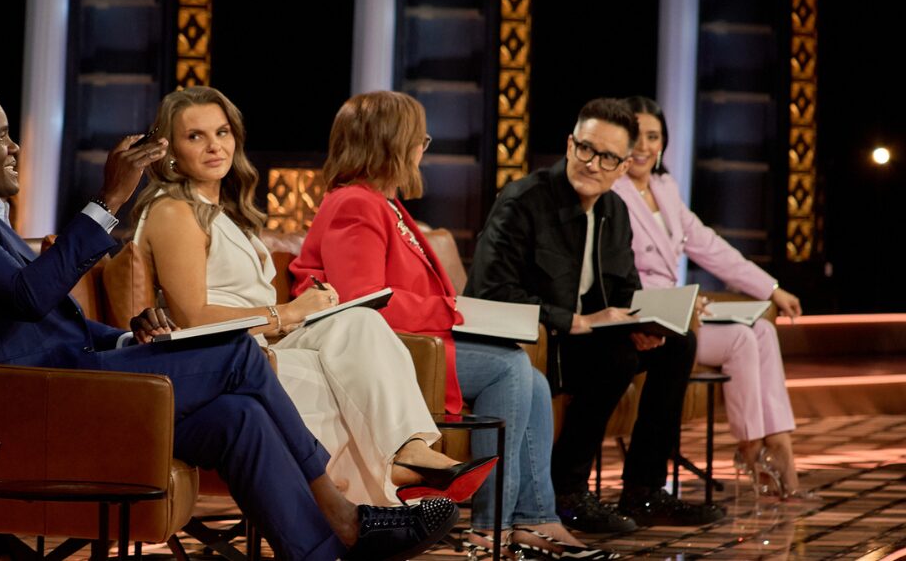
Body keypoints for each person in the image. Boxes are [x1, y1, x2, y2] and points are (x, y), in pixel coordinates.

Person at [0, 87, 459, 561]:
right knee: (237, 354)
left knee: (237, 416)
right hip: (44, 406)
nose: (15, 146)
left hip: (67, 383)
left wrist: (124, 336)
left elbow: (40, 313)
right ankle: (342, 514)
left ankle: (320, 552)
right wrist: (109, 199)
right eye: (1, 136)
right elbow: (29, 297)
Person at [131, 86, 495, 508]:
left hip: (261, 345)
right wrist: (286, 312)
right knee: (332, 381)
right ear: (170, 149)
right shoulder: (173, 210)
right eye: (195, 136)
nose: (215, 146)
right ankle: (384, 502)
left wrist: (306, 312)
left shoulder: (219, 210)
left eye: (223, 132)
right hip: (223, 361)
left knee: (359, 321)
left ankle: (408, 451)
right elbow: (193, 316)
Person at [291, 90, 617, 561]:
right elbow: (363, 302)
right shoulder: (354, 204)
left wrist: (457, 311)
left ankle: (534, 519)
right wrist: (453, 312)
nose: (424, 147)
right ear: (391, 143)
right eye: (418, 138)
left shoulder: (385, 204)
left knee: (536, 380)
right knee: (509, 366)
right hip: (385, 352)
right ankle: (492, 529)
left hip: (411, 341)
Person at [465, 97, 726, 532]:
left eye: (607, 157)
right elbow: (493, 291)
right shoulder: (523, 201)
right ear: (570, 145)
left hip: (585, 335)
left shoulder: (614, 211)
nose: (592, 163)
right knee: (615, 359)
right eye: (586, 149)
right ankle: (566, 490)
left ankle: (644, 490)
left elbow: (623, 288)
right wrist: (572, 320)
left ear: (623, 167)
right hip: (531, 338)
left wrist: (643, 324)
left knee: (678, 344)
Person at [614, 95, 811, 500]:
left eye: (653, 136)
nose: (643, 146)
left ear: (663, 143)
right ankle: (750, 450)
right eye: (634, 135)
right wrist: (680, 304)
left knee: (762, 331)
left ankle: (778, 448)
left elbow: (709, 246)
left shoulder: (664, 188)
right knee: (742, 337)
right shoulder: (612, 191)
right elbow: (617, 272)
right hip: (644, 315)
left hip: (681, 316)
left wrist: (772, 289)